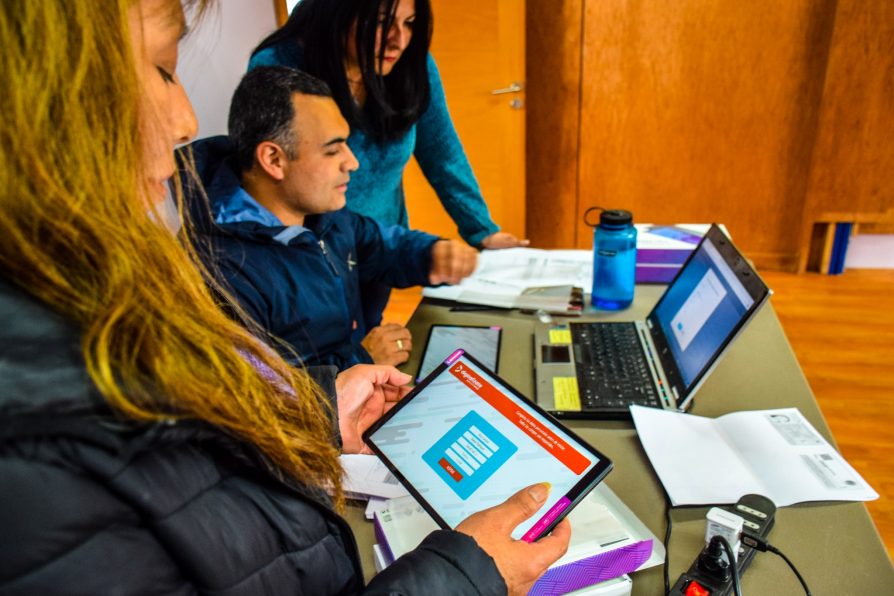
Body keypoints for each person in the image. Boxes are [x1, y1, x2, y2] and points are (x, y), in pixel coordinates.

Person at [0, 1, 570, 594]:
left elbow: (384, 234)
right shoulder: (217, 278)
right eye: (165, 71)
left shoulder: (324, 219)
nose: (187, 121)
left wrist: (321, 402)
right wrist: (468, 575)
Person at [250, 0, 530, 329]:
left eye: (409, 23)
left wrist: (482, 230)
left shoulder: (413, 66)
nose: (398, 40)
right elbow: (269, 187)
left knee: (370, 333)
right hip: (311, 255)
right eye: (383, 23)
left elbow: (443, 153)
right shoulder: (280, 67)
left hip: (379, 247)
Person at [187, 66, 478, 370]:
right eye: (332, 150)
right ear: (274, 159)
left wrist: (431, 255)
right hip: (326, 407)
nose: (351, 162)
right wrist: (360, 360)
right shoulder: (221, 272)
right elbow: (260, 396)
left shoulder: (322, 214)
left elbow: (380, 246)